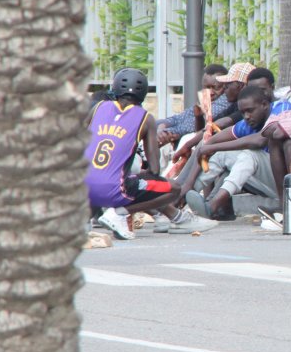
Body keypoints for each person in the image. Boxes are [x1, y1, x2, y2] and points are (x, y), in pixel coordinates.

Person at [85, 68, 217, 239]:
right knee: (174, 188)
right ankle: (121, 213)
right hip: (114, 188)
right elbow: (154, 169)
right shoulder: (145, 118)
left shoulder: (98, 108)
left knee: (99, 179)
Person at [184, 85, 280, 221]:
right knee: (222, 154)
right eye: (243, 112)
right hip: (271, 182)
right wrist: (189, 182)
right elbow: (211, 142)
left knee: (250, 155)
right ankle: (184, 199)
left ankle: (213, 205)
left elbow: (259, 140)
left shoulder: (280, 109)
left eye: (250, 111)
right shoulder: (249, 122)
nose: (246, 116)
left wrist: (214, 147)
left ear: (264, 104)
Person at [154, 64, 229, 147]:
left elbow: (189, 126)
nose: (210, 92)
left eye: (216, 88)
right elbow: (178, 118)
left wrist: (165, 132)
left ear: (225, 86)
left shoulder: (225, 101)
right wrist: (161, 127)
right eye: (207, 87)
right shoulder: (206, 100)